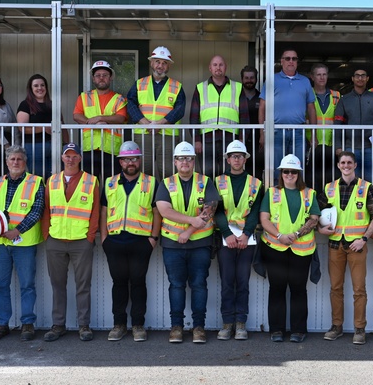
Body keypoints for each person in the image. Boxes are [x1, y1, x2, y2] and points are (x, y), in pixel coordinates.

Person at [0, 146, 44, 342]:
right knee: (0, 285)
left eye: (19, 159)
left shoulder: (36, 182)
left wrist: (18, 230)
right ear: (6, 162)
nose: (15, 162)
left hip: (24, 243)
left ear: (25, 162)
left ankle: (27, 324)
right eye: (12, 159)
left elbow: (37, 210)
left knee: (27, 285)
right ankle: (1, 324)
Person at [156, 141, 220, 344]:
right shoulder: (166, 183)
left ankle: (198, 327)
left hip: (200, 243)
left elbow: (210, 210)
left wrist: (189, 231)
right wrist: (192, 220)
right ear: (175, 161)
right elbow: (164, 210)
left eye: (189, 158)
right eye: (181, 158)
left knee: (199, 285)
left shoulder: (206, 181)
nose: (185, 162)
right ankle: (176, 327)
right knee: (176, 285)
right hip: (172, 244)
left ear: (194, 161)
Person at [317, 150, 373, 346]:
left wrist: (364, 238)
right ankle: (336, 326)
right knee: (335, 288)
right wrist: (320, 228)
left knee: (359, 289)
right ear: (338, 166)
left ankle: (359, 329)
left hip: (357, 246)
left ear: (355, 165)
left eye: (349, 163)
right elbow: (315, 213)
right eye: (343, 163)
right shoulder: (329, 188)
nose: (346, 166)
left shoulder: (367, 187)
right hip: (335, 244)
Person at [101, 141, 162, 342]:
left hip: (141, 242)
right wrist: (104, 238)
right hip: (115, 241)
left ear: (140, 160)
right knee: (118, 283)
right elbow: (103, 211)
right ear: (120, 162)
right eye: (126, 159)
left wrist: (153, 238)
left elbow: (157, 212)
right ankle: (119, 325)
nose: (131, 163)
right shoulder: (110, 182)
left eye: (134, 158)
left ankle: (138, 325)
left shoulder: (151, 182)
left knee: (138, 282)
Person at [43, 142, 100, 343]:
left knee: (83, 285)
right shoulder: (52, 180)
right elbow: (46, 210)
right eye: (67, 155)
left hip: (81, 241)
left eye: (75, 156)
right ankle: (58, 325)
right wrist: (47, 235)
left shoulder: (91, 181)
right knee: (57, 285)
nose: (71, 159)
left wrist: (90, 237)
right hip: (55, 240)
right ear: (62, 158)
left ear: (80, 158)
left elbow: (95, 211)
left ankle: (84, 325)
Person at [259, 154, 319, 343]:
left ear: (299, 173)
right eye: (286, 171)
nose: (290, 174)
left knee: (298, 290)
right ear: (281, 173)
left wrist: (297, 234)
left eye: (293, 171)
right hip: (275, 248)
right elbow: (264, 219)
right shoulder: (271, 193)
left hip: (301, 249)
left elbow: (314, 218)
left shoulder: (309, 193)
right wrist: (280, 236)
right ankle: (276, 330)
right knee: (276, 289)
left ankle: (298, 330)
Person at [213, 140, 263, 341]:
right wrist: (227, 233)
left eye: (240, 156)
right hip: (226, 238)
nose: (236, 159)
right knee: (227, 282)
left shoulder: (256, 183)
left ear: (245, 159)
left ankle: (241, 322)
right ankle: (227, 323)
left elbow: (256, 210)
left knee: (242, 282)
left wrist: (246, 234)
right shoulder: (217, 181)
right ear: (227, 159)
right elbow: (216, 210)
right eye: (233, 156)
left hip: (245, 239)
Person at [127, 46, 186, 181]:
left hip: (167, 135)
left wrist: (160, 124)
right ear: (151, 63)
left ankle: (167, 196)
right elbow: (130, 104)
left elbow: (180, 109)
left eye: (164, 63)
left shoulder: (177, 86)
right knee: (143, 173)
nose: (160, 66)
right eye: (157, 62)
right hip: (143, 134)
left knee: (168, 172)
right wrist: (144, 123)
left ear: (169, 66)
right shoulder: (139, 84)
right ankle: (146, 196)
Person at [258, 50, 316, 182]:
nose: (291, 61)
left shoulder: (305, 81)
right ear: (281, 61)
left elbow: (311, 108)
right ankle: (276, 194)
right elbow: (262, 107)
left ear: (297, 62)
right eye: (288, 58)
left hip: (299, 132)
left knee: (299, 169)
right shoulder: (272, 80)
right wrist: (262, 133)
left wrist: (314, 134)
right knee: (276, 170)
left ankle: (298, 194)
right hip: (276, 131)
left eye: (294, 59)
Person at [73, 60, 128, 182]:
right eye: (98, 75)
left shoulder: (119, 99)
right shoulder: (84, 97)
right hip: (89, 148)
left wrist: (99, 118)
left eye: (105, 75)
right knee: (89, 184)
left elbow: (121, 118)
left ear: (111, 78)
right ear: (93, 79)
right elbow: (76, 115)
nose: (101, 78)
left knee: (112, 184)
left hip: (112, 149)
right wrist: (91, 123)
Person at [333, 68, 373, 187]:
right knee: (351, 182)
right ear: (352, 79)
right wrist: (338, 146)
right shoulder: (344, 100)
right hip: (350, 147)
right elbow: (337, 124)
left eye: (363, 75)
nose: (360, 78)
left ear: (367, 79)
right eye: (357, 75)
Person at [190, 54, 241, 175]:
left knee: (228, 173)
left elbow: (245, 116)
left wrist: (242, 139)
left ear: (225, 67)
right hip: (206, 139)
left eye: (221, 65)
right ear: (210, 68)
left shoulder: (237, 87)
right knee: (207, 173)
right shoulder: (200, 88)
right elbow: (194, 116)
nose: (218, 68)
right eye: (215, 65)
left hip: (230, 139)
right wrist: (196, 140)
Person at [16, 73, 63, 179]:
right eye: (36, 86)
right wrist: (43, 129)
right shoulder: (25, 104)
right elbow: (22, 128)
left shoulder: (53, 104)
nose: (40, 88)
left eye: (42, 85)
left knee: (54, 177)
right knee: (38, 177)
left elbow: (62, 125)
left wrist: (66, 144)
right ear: (31, 89)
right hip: (34, 146)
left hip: (54, 146)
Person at [307, 63, 340, 189]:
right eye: (318, 75)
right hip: (311, 143)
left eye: (324, 74)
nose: (322, 77)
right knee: (313, 178)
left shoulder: (336, 95)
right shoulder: (307, 94)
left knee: (331, 178)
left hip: (331, 143)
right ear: (312, 77)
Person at [238, 65, 262, 177]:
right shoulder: (237, 97)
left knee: (257, 171)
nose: (249, 80)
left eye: (252, 78)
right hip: (240, 140)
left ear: (256, 79)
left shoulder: (261, 98)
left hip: (258, 141)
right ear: (242, 79)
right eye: (246, 78)